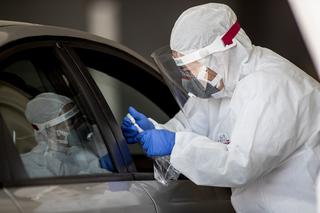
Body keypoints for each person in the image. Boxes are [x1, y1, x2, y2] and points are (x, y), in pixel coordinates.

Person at [121, 3, 320, 213]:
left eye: (191, 68)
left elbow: (240, 165)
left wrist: (174, 144)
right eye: (183, 70)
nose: (188, 78)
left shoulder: (272, 86)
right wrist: (155, 129)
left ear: (221, 54)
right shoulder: (221, 83)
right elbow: (190, 126)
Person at [21, 92, 111, 178]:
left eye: (79, 118)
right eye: (71, 122)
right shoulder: (30, 163)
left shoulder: (78, 153)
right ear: (49, 130)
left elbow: (102, 175)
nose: (79, 125)